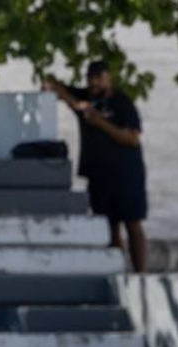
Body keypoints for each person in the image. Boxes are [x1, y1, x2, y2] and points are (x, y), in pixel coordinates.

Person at [43, 62, 148, 272]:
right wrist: (78, 105)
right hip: (99, 174)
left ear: (109, 78)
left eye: (99, 78)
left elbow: (132, 138)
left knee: (132, 223)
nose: (94, 83)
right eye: (91, 78)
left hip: (126, 173)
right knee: (109, 225)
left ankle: (140, 273)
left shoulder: (121, 103)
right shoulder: (87, 99)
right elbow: (53, 85)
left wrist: (101, 123)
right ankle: (117, 270)